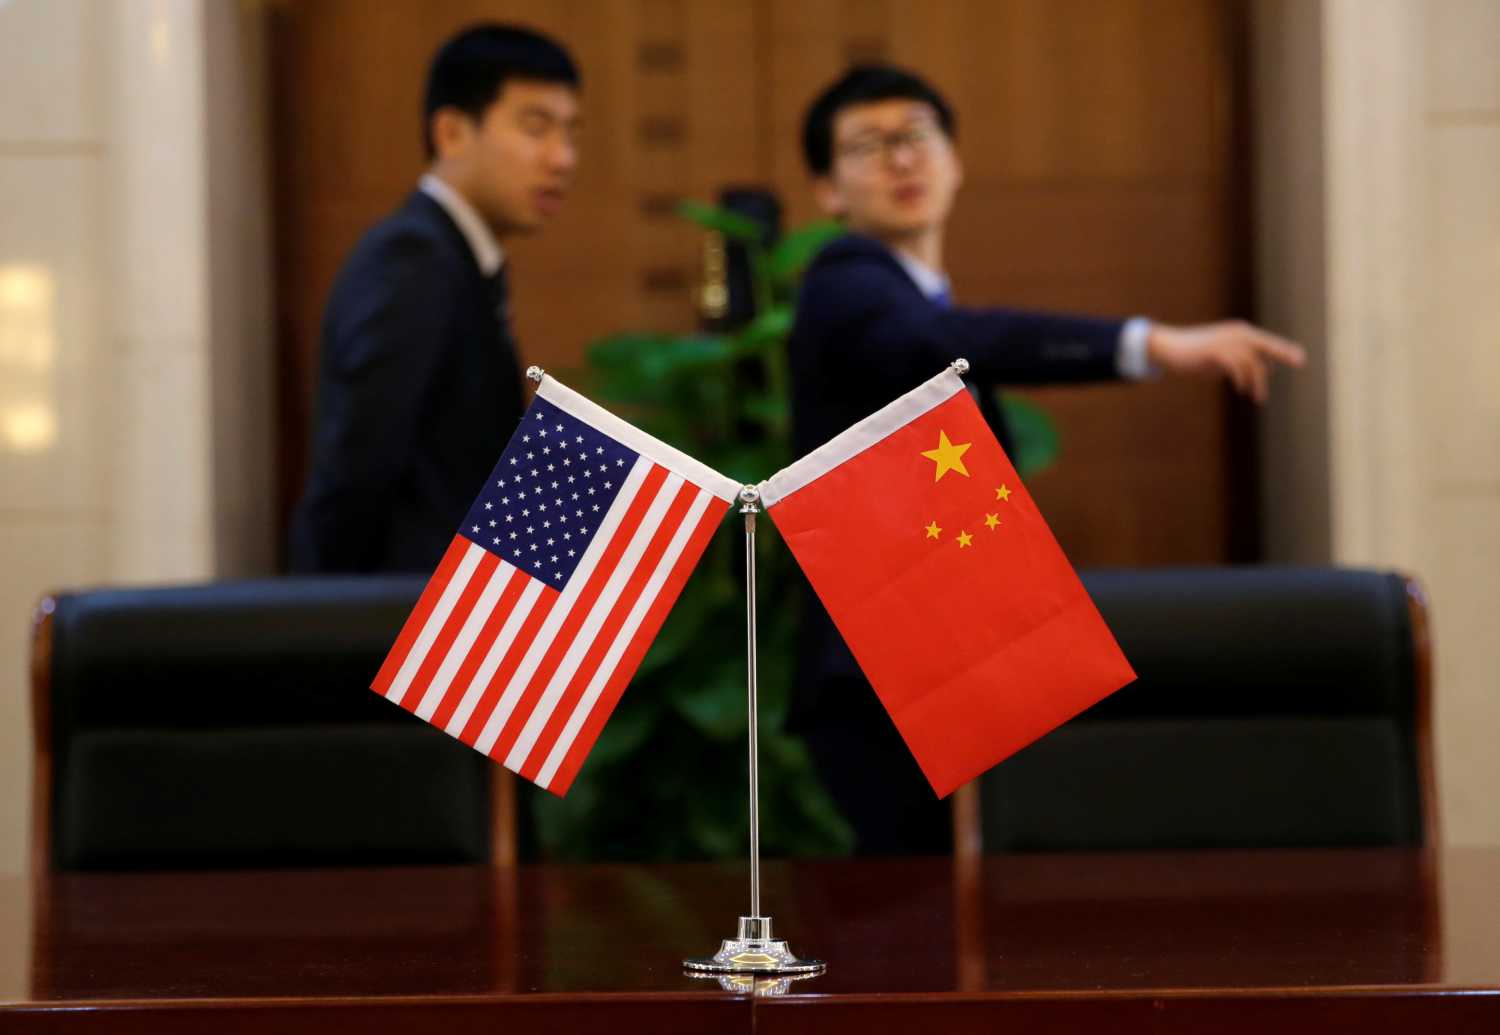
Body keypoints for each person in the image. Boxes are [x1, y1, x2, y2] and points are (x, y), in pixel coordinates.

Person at [788, 64, 1306, 855]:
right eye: (867, 146)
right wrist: (1150, 343)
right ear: (826, 189)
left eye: (917, 136)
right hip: (881, 684)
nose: (901, 160)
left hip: (941, 668)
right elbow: (945, 348)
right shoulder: (845, 283)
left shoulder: (918, 295)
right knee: (910, 939)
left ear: (956, 160)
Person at [289, 24, 580, 574]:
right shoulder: (412, 259)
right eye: (536, 128)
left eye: (570, 132)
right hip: (396, 627)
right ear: (450, 132)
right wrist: (326, 636)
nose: (563, 158)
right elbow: (354, 474)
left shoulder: (456, 257)